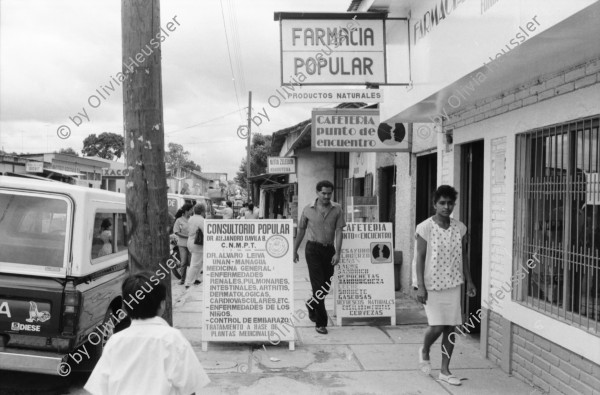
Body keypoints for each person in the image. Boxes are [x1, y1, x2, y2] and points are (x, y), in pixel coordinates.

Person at [84, 272, 210, 395]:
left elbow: (99, 388)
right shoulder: (173, 339)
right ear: (162, 305)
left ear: (125, 307)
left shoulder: (114, 342)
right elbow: (189, 388)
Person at [414, 185, 476, 386]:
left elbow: (463, 257)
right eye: (442, 203)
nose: (446, 207)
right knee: (437, 325)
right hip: (431, 284)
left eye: (450, 203)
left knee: (451, 326)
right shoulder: (425, 228)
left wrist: (469, 281)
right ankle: (425, 349)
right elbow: (420, 258)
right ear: (434, 204)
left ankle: (444, 370)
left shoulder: (460, 228)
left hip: (453, 283)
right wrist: (420, 286)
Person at [293, 180, 345, 335]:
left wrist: (338, 252)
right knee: (317, 286)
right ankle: (321, 322)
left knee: (325, 287)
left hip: (329, 250)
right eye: (323, 193)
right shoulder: (308, 209)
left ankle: (311, 304)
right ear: (317, 192)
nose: (327, 196)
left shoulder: (337, 209)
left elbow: (339, 231)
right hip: (313, 250)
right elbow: (301, 230)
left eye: (329, 193)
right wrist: (294, 249)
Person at [185, 203, 206, 289]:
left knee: (198, 262)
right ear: (202, 211)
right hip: (197, 244)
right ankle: (188, 283)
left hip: (190, 241)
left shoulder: (191, 218)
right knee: (195, 263)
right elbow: (206, 232)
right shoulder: (201, 220)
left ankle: (196, 279)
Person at [173, 203, 193, 285]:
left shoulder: (192, 219)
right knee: (183, 262)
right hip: (182, 244)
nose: (192, 211)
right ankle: (182, 279)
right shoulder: (179, 220)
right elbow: (176, 232)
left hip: (191, 244)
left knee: (192, 262)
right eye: (191, 210)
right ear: (186, 211)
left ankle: (192, 279)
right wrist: (187, 236)